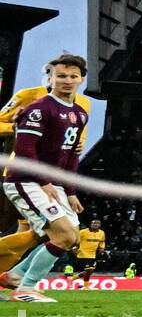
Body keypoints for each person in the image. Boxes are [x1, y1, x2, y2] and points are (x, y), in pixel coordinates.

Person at [1, 54, 90, 302]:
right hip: (26, 180)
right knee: (61, 235)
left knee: (72, 238)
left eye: (73, 76)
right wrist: (45, 183)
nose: (67, 81)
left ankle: (14, 277)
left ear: (82, 79)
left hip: (54, 184)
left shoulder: (80, 113)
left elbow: (72, 155)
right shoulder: (39, 110)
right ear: (50, 78)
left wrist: (71, 192)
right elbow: (26, 150)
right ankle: (26, 289)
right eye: (61, 75)